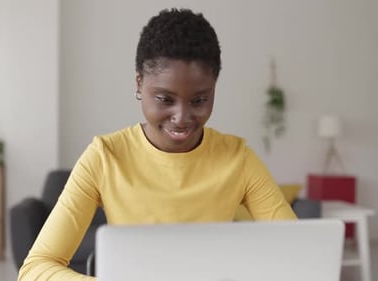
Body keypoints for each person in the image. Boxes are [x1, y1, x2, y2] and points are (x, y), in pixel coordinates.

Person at [18, 8, 297, 281]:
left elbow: (296, 252)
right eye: (165, 99)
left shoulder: (239, 159)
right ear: (139, 83)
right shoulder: (104, 157)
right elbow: (36, 268)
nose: (182, 118)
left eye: (199, 100)